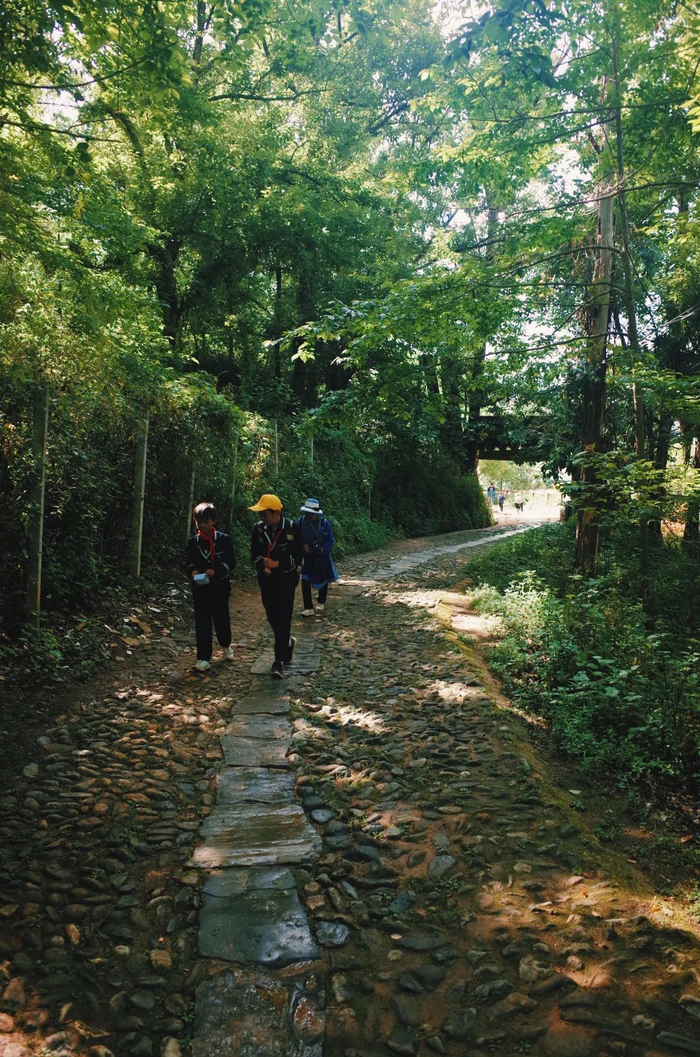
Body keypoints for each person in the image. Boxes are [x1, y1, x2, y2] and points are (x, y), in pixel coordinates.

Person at [249, 493, 304, 678]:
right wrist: (262, 565)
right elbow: (254, 553)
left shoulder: (291, 528)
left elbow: (298, 556)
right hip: (266, 581)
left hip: (286, 580)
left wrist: (278, 564)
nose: (262, 518)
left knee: (284, 617)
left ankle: (278, 661)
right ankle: (286, 642)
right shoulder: (257, 529)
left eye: (265, 514)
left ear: (276, 513)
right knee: (272, 617)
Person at [186, 502, 236, 672]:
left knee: (222, 619)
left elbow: (231, 562)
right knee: (202, 623)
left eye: (205, 522)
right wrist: (192, 571)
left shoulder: (223, 540)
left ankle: (226, 645)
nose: (202, 525)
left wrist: (216, 571)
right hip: (200, 589)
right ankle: (203, 657)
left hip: (220, 588)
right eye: (199, 522)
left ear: (213, 521)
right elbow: (188, 562)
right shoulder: (194, 542)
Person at [296, 498, 338, 617]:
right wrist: (302, 547)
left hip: (322, 557)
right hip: (307, 557)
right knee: (305, 580)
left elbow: (330, 540)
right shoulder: (299, 522)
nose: (311, 515)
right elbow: (294, 538)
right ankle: (308, 607)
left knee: (323, 579)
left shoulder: (324, 523)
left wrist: (322, 549)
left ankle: (321, 601)